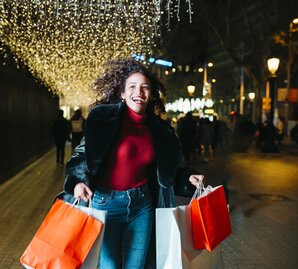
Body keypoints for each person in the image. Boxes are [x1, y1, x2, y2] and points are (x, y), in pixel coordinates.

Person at [57, 58, 200, 269]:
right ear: (122, 93)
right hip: (104, 204)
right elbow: (80, 157)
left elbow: (166, 171)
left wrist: (188, 177)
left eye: (145, 87)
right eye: (132, 86)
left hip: (142, 205)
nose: (139, 92)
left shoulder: (161, 131)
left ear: (151, 95)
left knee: (137, 267)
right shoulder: (103, 122)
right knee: (109, 266)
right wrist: (78, 181)